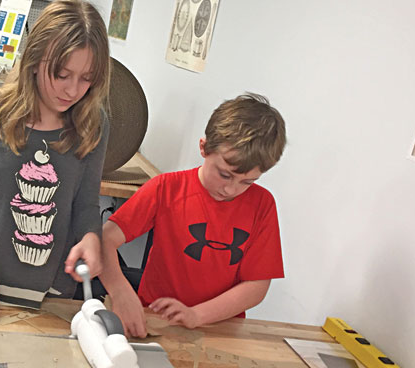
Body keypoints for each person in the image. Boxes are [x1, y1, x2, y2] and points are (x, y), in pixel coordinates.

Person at [0, 0, 111, 329]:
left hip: (53, 295)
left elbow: (85, 205)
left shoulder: (93, 125)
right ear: (34, 60)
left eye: (86, 78)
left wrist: (91, 237)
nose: (72, 90)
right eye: (61, 74)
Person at [98, 93, 287, 337]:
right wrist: (120, 291)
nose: (230, 190)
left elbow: (256, 286)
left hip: (220, 328)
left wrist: (197, 315)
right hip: (155, 320)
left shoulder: (262, 205)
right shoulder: (166, 188)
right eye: (225, 175)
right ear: (203, 148)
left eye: (248, 182)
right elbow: (105, 240)